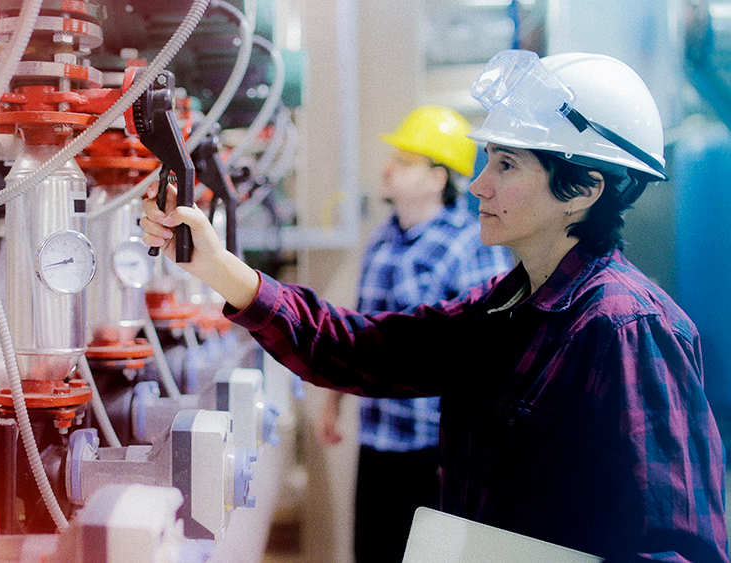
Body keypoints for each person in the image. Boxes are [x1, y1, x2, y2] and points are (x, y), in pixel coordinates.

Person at [140, 50, 729, 561]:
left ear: (584, 189)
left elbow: (677, 548)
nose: (477, 185)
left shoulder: (626, 328)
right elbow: (359, 347)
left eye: (506, 165)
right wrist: (215, 265)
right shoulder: (506, 307)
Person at [315, 105, 515, 561]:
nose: (390, 168)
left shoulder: (471, 245)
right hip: (379, 437)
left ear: (438, 178)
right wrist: (334, 399)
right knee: (372, 550)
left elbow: (490, 348)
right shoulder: (383, 238)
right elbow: (362, 331)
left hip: (435, 448)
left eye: (406, 162)